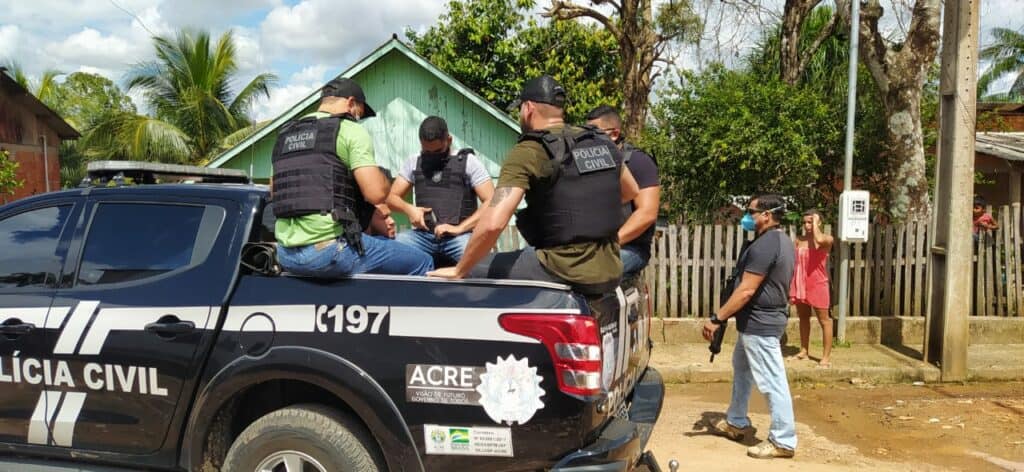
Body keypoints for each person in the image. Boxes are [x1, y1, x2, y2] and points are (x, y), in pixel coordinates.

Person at [428, 75, 640, 296]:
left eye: (520, 109)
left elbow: (493, 223)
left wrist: (460, 269)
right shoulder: (599, 141)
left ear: (528, 108)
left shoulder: (530, 150)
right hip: (610, 269)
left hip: (563, 268)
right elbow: (630, 191)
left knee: (472, 269)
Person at [272, 78, 433, 277]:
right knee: (423, 261)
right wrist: (383, 180)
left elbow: (274, 191)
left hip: (286, 254)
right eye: (360, 113)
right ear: (350, 102)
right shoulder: (349, 129)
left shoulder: (285, 134)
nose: (358, 118)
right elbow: (375, 194)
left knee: (380, 244)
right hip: (329, 252)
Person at [703, 194, 797, 459]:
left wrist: (717, 318)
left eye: (751, 212)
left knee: (772, 381)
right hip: (757, 322)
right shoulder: (780, 240)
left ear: (767, 215)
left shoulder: (765, 245)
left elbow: (746, 290)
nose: (746, 216)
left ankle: (783, 440)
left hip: (760, 323)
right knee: (742, 368)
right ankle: (736, 421)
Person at [387, 116, 495, 266]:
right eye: (427, 151)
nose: (432, 155)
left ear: (449, 140)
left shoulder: (468, 162)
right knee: (391, 252)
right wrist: (409, 210)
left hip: (460, 237)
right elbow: (391, 198)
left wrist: (459, 228)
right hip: (422, 237)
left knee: (479, 264)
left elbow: (492, 201)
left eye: (438, 151)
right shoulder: (414, 162)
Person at [586, 105, 660, 278]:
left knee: (589, 270)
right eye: (585, 134)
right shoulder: (587, 163)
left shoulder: (639, 162)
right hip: (591, 247)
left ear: (614, 134)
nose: (587, 139)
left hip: (630, 248)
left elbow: (647, 214)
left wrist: (610, 244)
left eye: (593, 133)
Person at [789, 209, 834, 367]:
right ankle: (804, 351)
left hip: (818, 284)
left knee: (825, 321)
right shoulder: (798, 240)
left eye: (810, 222)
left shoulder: (827, 239)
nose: (807, 225)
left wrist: (815, 222)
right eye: (805, 222)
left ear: (819, 222)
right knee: (803, 318)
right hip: (801, 284)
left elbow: (819, 240)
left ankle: (826, 357)